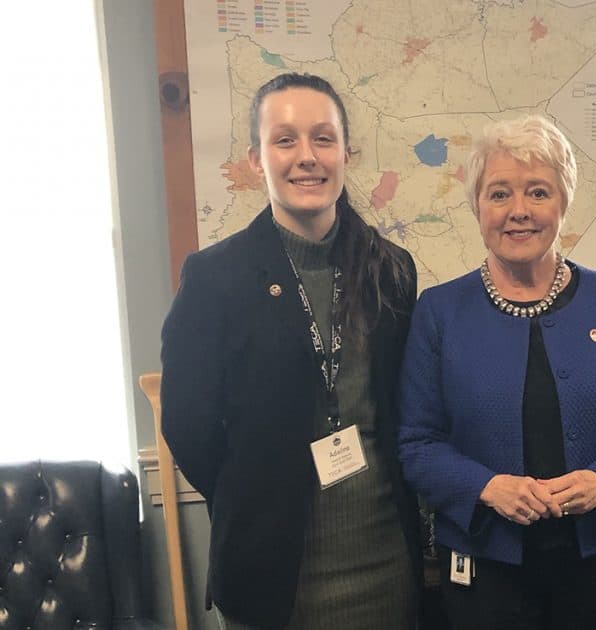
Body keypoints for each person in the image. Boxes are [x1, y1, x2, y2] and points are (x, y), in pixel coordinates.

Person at [398, 114, 596, 629]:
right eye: (499, 194)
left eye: (537, 192)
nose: (519, 212)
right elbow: (416, 445)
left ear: (563, 202)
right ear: (477, 206)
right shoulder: (439, 311)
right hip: (483, 563)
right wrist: (486, 487)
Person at [160, 73, 421, 629]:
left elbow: (401, 409)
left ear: (347, 153)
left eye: (323, 138)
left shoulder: (393, 270)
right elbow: (188, 424)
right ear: (256, 160)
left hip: (385, 566)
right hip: (271, 570)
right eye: (285, 140)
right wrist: (256, 490)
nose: (307, 157)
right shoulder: (214, 278)